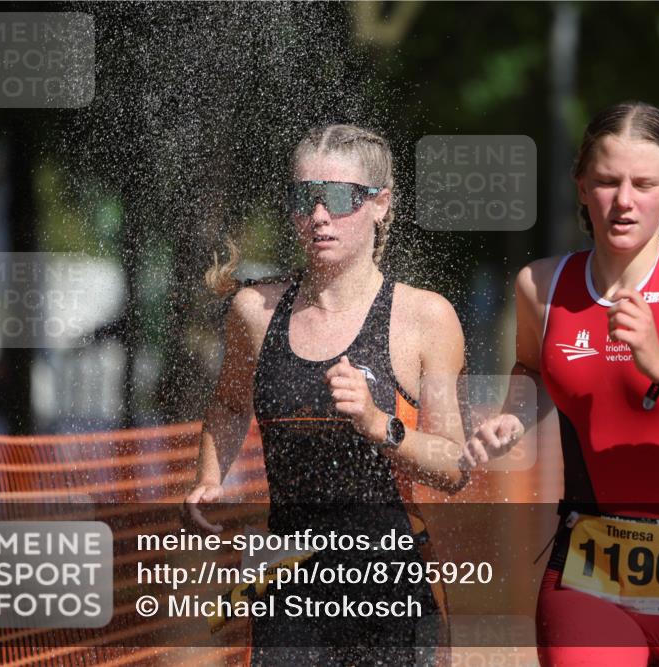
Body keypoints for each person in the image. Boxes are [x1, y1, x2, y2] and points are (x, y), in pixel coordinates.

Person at [461, 102, 659, 666]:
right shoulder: (541, 286)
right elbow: (535, 370)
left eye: (645, 183)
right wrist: (512, 415)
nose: (625, 201)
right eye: (608, 182)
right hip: (593, 574)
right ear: (582, 186)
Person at [184, 124, 467, 666]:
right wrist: (206, 479)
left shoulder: (424, 318)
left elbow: (454, 466)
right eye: (303, 199)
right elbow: (228, 405)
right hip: (286, 571)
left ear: (381, 204)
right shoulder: (255, 313)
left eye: (339, 198)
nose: (319, 216)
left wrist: (378, 421)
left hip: (388, 576)